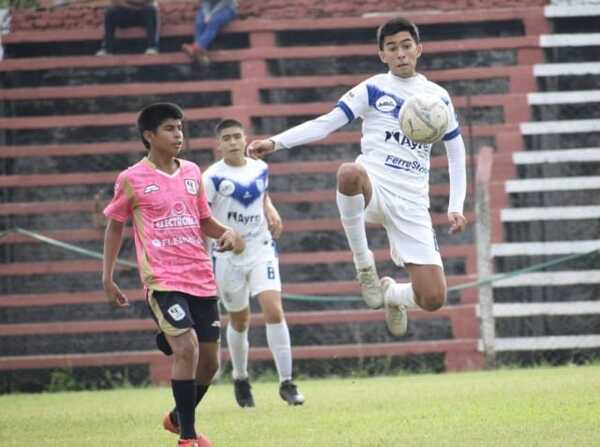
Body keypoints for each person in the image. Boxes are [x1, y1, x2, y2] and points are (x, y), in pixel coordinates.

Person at [247, 17, 468, 337]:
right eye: (392, 48)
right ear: (382, 55)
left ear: (419, 49)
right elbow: (326, 123)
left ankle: (392, 294)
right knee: (349, 173)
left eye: (406, 46)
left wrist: (455, 205)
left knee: (433, 298)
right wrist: (276, 142)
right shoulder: (373, 87)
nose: (400, 53)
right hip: (373, 185)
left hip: (412, 201)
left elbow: (456, 150)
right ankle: (364, 266)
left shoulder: (437, 97)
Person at [102, 103, 245, 447]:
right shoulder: (132, 178)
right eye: (169, 128)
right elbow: (115, 226)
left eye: (180, 127)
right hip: (163, 280)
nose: (178, 134)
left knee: (210, 364)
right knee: (187, 348)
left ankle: (177, 417)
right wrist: (107, 276)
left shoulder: (193, 172)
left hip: (200, 278)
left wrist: (228, 233)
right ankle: (187, 437)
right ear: (148, 136)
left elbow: (204, 221)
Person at [203, 119, 305, 407]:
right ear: (219, 144)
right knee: (240, 319)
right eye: (227, 138)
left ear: (245, 138)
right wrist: (211, 249)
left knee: (274, 309)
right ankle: (240, 377)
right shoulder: (210, 178)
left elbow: (263, 195)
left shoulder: (259, 167)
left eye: (237, 136)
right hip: (227, 256)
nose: (234, 142)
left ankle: (287, 382)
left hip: (260, 248)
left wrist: (271, 210)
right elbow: (202, 220)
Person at [181, 0, 237, 65]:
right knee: (199, 22)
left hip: (227, 8)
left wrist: (211, 14)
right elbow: (205, 2)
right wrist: (206, 14)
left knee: (213, 21)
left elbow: (224, 3)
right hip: (209, 9)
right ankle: (200, 52)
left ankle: (196, 47)